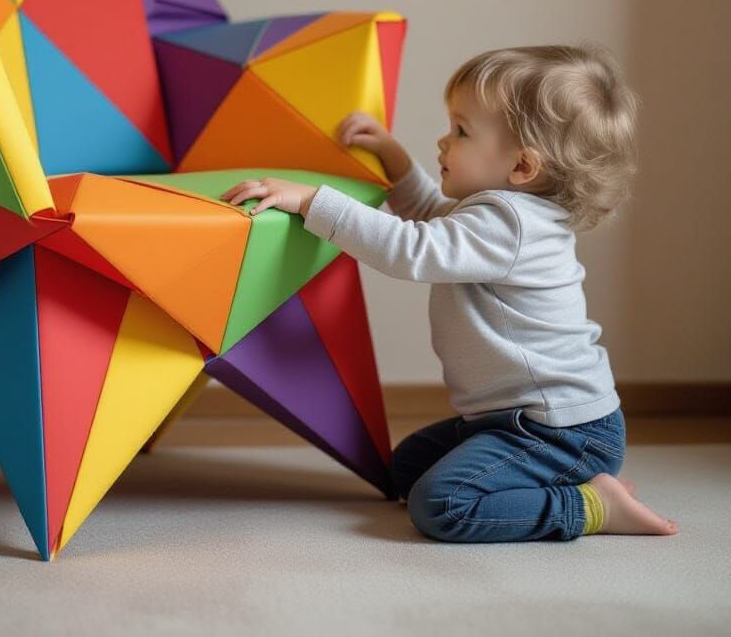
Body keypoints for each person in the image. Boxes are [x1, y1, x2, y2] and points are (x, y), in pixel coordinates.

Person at [219, 43, 678, 542]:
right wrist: (395, 161)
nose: (443, 141)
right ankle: (573, 481)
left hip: (558, 432)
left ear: (523, 167)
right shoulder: (496, 216)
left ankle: (588, 505)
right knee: (407, 468)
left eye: (461, 131)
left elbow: (409, 249)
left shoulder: (510, 224)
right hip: (511, 423)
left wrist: (312, 202)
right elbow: (428, 214)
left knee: (442, 505)